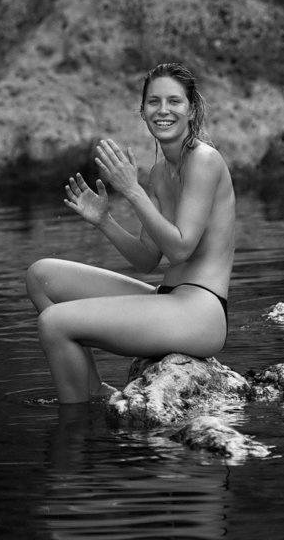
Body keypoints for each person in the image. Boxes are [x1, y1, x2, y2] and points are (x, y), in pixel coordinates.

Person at [26, 62, 237, 404]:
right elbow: (147, 259)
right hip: (168, 298)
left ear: (192, 109)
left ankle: (78, 423)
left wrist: (132, 190)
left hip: (200, 313)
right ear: (143, 111)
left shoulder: (204, 160)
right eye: (154, 102)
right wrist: (105, 221)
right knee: (41, 276)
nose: (163, 110)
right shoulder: (160, 173)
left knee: (53, 323)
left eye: (174, 101)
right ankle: (93, 391)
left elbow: (181, 249)